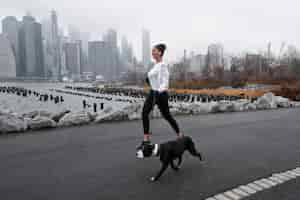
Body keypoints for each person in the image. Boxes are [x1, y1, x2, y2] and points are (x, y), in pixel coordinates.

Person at [137, 43, 184, 149]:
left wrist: (159, 91)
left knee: (167, 115)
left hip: (160, 94)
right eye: (152, 51)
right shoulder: (155, 65)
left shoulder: (163, 65)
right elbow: (153, 79)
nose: (152, 52)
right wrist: (149, 81)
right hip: (153, 93)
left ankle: (180, 135)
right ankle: (146, 140)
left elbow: (165, 82)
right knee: (145, 113)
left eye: (155, 50)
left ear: (160, 52)